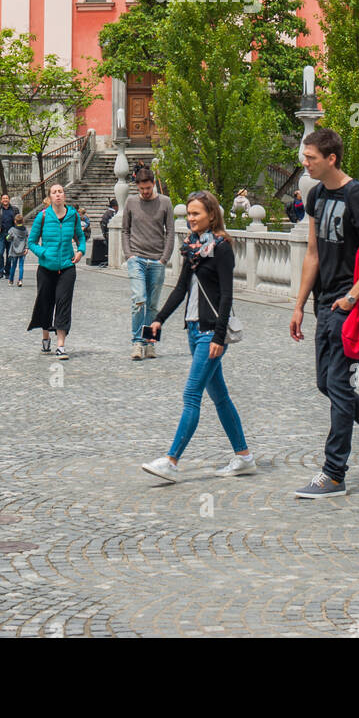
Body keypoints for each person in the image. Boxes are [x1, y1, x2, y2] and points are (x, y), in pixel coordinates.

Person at [290, 128, 359, 498]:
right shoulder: (316, 195)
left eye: (310, 158)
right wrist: (299, 304)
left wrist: (352, 297)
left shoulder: (356, 195)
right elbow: (312, 254)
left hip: (348, 303)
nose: (304, 163)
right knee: (327, 383)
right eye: (304, 157)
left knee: (338, 384)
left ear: (331, 159)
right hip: (324, 302)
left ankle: (334, 473)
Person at [142, 190, 254, 482]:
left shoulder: (222, 247)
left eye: (196, 214)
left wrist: (219, 337)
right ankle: (244, 457)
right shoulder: (191, 246)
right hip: (193, 330)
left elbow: (227, 295)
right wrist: (159, 319)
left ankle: (171, 461)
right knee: (220, 397)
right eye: (189, 213)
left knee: (191, 394)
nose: (190, 218)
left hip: (210, 333)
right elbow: (180, 289)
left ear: (211, 215)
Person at [26, 184, 86, 358]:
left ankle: (61, 345)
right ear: (50, 197)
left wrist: (81, 251)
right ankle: (45, 337)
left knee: (63, 303)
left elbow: (80, 237)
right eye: (54, 192)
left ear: (64, 195)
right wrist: (44, 253)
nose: (58, 195)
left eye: (60, 192)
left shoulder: (73, 216)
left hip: (67, 267)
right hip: (46, 268)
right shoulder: (42, 216)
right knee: (46, 302)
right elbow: (31, 242)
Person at [123, 168, 174, 360]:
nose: (145, 192)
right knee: (139, 299)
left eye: (148, 188)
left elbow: (170, 231)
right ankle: (137, 342)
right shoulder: (131, 202)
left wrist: (164, 258)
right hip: (136, 257)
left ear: (153, 184)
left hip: (157, 260)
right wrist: (128, 255)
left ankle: (150, 342)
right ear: (137, 186)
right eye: (142, 188)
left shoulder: (165, 202)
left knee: (152, 305)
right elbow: (125, 230)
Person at [0, 193, 17, 279]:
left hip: (11, 235)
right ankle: (0, 271)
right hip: (1, 234)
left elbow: (18, 221)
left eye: (6, 198)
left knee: (10, 255)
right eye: (3, 198)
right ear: (1, 200)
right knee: (0, 253)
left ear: (9, 200)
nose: (5, 200)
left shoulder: (14, 209)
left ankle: (8, 271)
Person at [7, 213, 29, 286]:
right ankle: (20, 280)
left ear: (15, 221)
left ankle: (10, 280)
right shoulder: (25, 230)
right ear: (22, 221)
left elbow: (8, 238)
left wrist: (9, 237)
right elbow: (26, 239)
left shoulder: (12, 230)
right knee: (21, 266)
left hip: (14, 250)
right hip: (22, 250)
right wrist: (26, 248)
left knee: (13, 265)